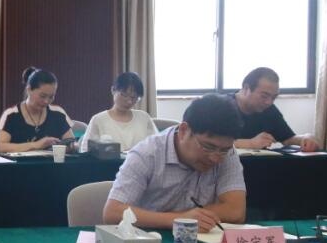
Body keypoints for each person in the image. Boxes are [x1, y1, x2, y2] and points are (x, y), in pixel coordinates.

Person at [102, 93, 246, 232]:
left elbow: (235, 211)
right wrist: (179, 219)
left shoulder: (227, 153)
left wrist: (191, 218)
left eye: (224, 150)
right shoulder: (147, 154)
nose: (215, 158)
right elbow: (112, 213)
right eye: (208, 147)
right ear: (183, 131)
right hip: (151, 240)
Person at [232, 67, 319, 151]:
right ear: (246, 88)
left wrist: (305, 138)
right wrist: (250, 143)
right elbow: (222, 143)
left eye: (273, 97)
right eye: (264, 96)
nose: (269, 102)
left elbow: (287, 139)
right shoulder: (225, 106)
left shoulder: (269, 110)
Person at [0, 67, 75, 153]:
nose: (46, 101)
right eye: (42, 96)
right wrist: (37, 145)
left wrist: (71, 147)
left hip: (52, 162)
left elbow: (71, 142)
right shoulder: (11, 115)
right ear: (29, 89)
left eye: (51, 97)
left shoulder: (58, 113)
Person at [79, 71, 158, 153]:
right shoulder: (98, 120)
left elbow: (157, 146)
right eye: (124, 95)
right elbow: (85, 151)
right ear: (113, 90)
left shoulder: (144, 118)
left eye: (134, 97)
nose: (129, 101)